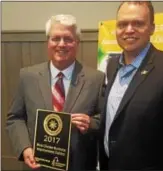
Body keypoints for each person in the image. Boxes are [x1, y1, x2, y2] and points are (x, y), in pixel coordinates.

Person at [6, 14, 105, 171]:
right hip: (37, 166)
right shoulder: (28, 76)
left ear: (77, 43)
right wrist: (25, 148)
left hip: (79, 165)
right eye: (55, 38)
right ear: (48, 42)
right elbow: (15, 118)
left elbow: (105, 120)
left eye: (68, 39)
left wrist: (91, 123)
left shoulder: (96, 79)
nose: (61, 44)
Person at [99, 1, 163, 170]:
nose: (129, 29)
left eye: (138, 23)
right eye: (122, 24)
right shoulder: (111, 65)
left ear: (152, 28)